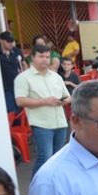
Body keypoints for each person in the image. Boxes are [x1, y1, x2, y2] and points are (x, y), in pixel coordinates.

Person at [14, 43, 71, 176]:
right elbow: (20, 100)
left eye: (47, 56)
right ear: (33, 57)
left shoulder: (56, 77)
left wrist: (59, 101)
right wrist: (44, 101)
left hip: (60, 123)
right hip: (41, 123)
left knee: (59, 158)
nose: (45, 59)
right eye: (41, 56)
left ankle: (54, 185)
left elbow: (68, 97)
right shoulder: (23, 78)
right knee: (45, 158)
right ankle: (36, 187)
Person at [0, 31, 25, 114]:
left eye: (12, 41)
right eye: (8, 41)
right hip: (6, 86)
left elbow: (24, 64)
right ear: (1, 41)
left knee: (23, 109)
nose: (11, 44)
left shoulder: (16, 51)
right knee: (12, 110)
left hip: (18, 85)